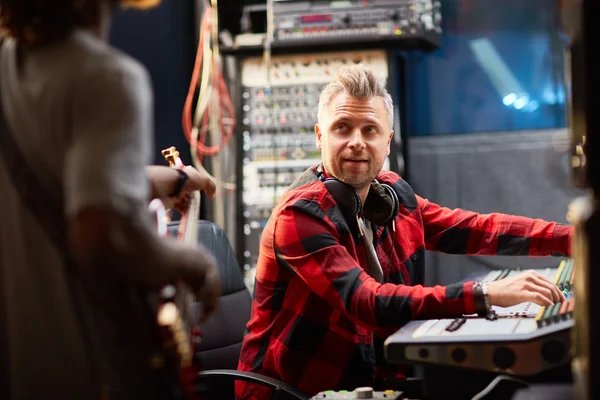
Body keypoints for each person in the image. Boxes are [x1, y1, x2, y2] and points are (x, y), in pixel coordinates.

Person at [236, 64, 573, 399]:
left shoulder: (392, 194)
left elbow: (475, 229)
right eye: (342, 128)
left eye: (370, 130)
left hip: (371, 383)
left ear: (388, 142)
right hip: (293, 392)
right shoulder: (300, 214)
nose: (357, 142)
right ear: (320, 136)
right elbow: (367, 301)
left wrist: (574, 239)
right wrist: (486, 294)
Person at [0, 1, 220, 399]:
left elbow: (69, 184)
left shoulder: (9, 63)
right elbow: (103, 238)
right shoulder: (106, 78)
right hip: (92, 369)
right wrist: (193, 261)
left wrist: (173, 179)